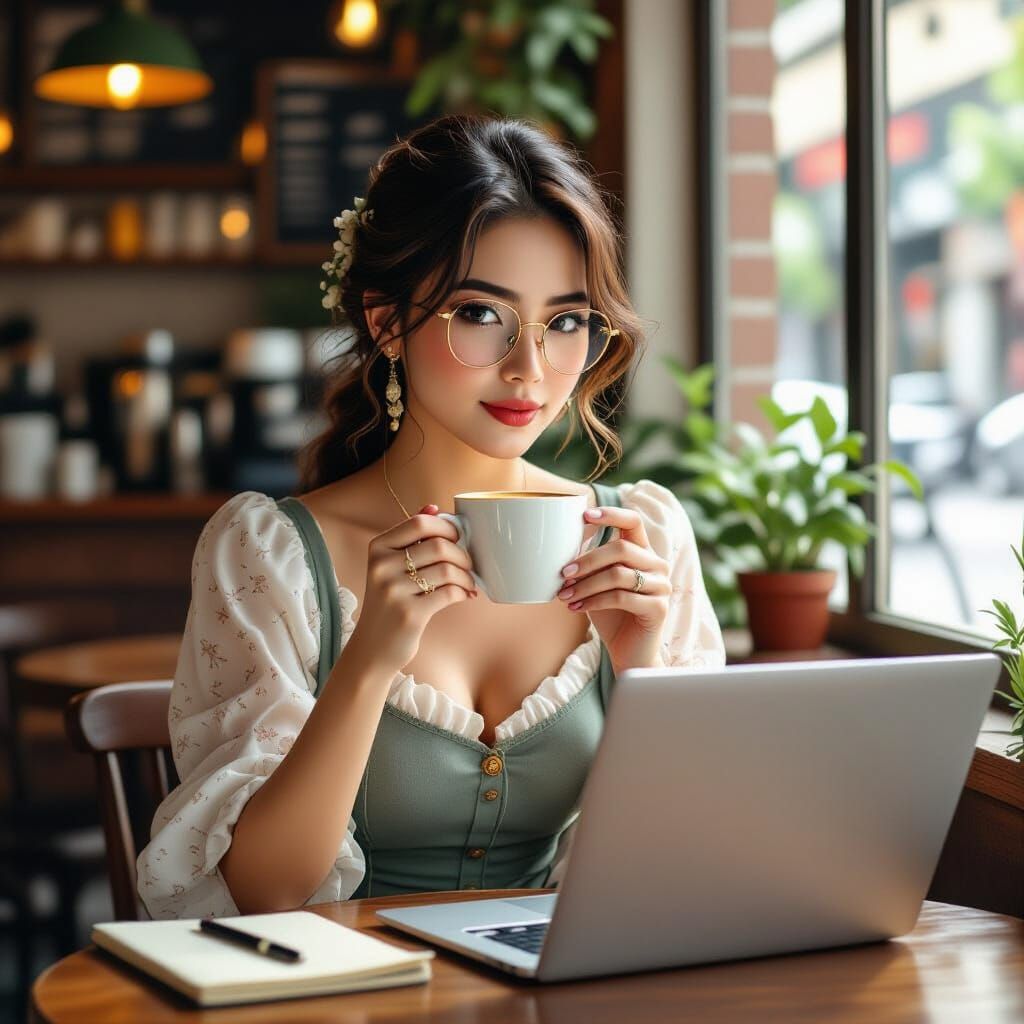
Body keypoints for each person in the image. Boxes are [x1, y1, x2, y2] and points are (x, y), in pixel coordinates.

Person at [137, 114, 725, 920]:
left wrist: (643, 674)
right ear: (386, 322)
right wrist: (369, 660)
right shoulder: (269, 554)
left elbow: (689, 874)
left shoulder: (641, 539)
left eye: (564, 322)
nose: (530, 368)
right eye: (482, 314)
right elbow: (263, 891)